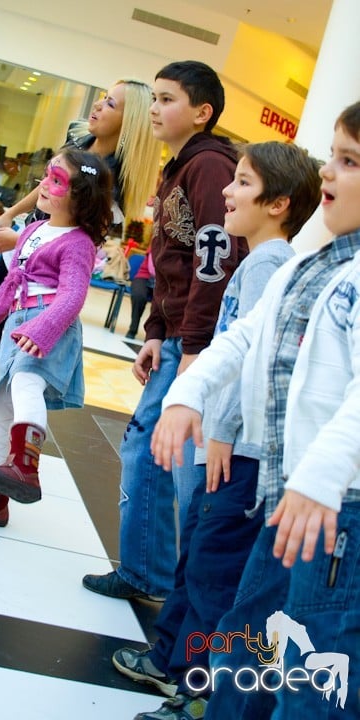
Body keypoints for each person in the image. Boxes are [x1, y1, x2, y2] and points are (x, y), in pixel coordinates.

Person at [151, 101, 360, 720]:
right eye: (333, 155)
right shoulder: (321, 260)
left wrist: (321, 478)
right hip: (291, 494)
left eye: (349, 161)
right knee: (255, 629)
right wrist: (187, 394)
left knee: (315, 673)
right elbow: (245, 336)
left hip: (336, 506)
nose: (328, 171)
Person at [113, 141, 322, 720]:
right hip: (230, 447)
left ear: (278, 204)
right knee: (199, 562)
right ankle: (175, 666)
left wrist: (222, 428)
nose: (227, 192)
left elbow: (256, 359)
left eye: (244, 184)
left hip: (244, 453)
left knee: (215, 575)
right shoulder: (257, 261)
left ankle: (199, 695)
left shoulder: (269, 265)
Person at [82, 61, 249, 602]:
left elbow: (213, 262)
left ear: (202, 112)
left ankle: (181, 595)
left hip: (197, 342)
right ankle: (149, 575)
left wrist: (193, 346)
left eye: (168, 98)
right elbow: (169, 258)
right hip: (178, 335)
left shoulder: (208, 166)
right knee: (151, 451)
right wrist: (155, 329)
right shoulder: (176, 166)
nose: (154, 108)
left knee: (175, 465)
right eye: (153, 97)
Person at [0, 78, 162, 442]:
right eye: (103, 99)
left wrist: (23, 239)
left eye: (111, 104)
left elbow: (85, 236)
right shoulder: (80, 141)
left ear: (131, 122)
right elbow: (43, 187)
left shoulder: (114, 176)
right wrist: (9, 215)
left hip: (47, 266)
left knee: (18, 340)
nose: (98, 106)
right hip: (24, 246)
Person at [0, 147, 112, 526]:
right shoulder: (33, 230)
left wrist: (43, 328)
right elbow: (9, 285)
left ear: (81, 195)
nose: (43, 186)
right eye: (46, 176)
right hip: (17, 325)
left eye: (56, 180)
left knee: (25, 385)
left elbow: (72, 295)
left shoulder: (78, 243)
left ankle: (25, 467)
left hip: (46, 326)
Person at [126, 248, 154, 339]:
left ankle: (153, 335)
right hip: (145, 275)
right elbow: (152, 268)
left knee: (161, 302)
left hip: (166, 280)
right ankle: (133, 329)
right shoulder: (157, 240)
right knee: (139, 295)